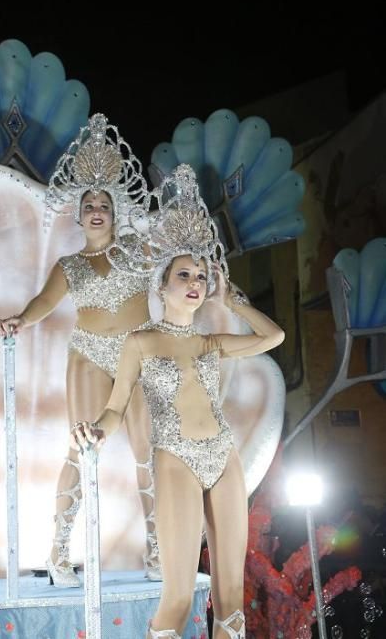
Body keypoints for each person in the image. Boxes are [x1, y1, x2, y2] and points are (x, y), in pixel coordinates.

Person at [72, 164, 285, 638]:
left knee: (231, 598)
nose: (194, 282)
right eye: (184, 274)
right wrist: (98, 432)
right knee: (180, 595)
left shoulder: (210, 341)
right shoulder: (141, 342)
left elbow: (274, 336)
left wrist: (233, 302)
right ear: (162, 284)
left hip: (221, 455)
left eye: (202, 276)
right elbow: (116, 405)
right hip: (175, 460)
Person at [0, 113, 160, 587]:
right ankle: (59, 556)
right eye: (87, 203)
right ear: (79, 213)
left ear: (114, 210)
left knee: (147, 450)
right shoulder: (69, 264)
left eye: (103, 202)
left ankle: (158, 550)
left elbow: (174, 274)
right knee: (82, 450)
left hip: (138, 355)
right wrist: (20, 320)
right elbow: (44, 302)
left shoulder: (137, 251)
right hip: (88, 356)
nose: (95, 208)